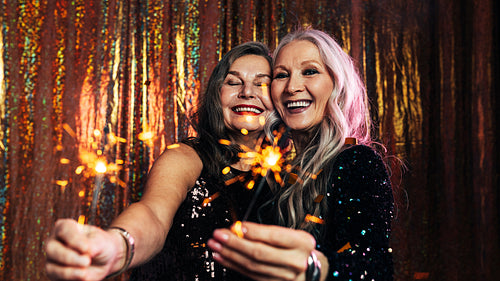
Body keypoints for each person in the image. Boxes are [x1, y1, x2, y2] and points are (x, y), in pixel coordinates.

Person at [45, 41, 274, 281]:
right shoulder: (185, 157)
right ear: (217, 95)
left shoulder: (289, 180)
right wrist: (117, 245)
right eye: (233, 81)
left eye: (262, 83)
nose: (247, 92)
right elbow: (153, 213)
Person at [208, 28, 395, 281]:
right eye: (281, 75)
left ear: (336, 84)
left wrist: (315, 269)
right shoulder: (273, 171)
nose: (292, 87)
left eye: (310, 71)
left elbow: (375, 267)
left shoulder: (355, 161)